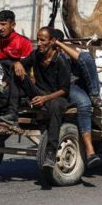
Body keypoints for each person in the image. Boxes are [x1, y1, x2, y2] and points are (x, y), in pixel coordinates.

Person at [13, 26, 70, 168]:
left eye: (42, 40)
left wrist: (45, 99)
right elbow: (22, 63)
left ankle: (51, 152)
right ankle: (11, 113)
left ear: (52, 41)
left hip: (56, 97)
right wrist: (18, 63)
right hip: (38, 93)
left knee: (56, 107)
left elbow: (64, 90)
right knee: (17, 73)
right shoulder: (36, 54)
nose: (38, 43)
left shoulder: (61, 61)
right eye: (38, 39)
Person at [50, 29, 102, 168]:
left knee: (86, 57)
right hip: (61, 88)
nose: (42, 43)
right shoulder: (42, 54)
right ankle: (90, 151)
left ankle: (94, 95)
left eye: (48, 41)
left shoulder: (66, 52)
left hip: (75, 86)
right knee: (84, 104)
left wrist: (60, 45)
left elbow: (82, 59)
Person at [0, 10, 33, 124]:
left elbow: (25, 69)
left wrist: (15, 63)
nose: (0, 28)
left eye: (3, 24)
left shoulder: (24, 42)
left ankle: (12, 113)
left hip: (20, 83)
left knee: (15, 69)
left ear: (13, 25)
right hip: (2, 80)